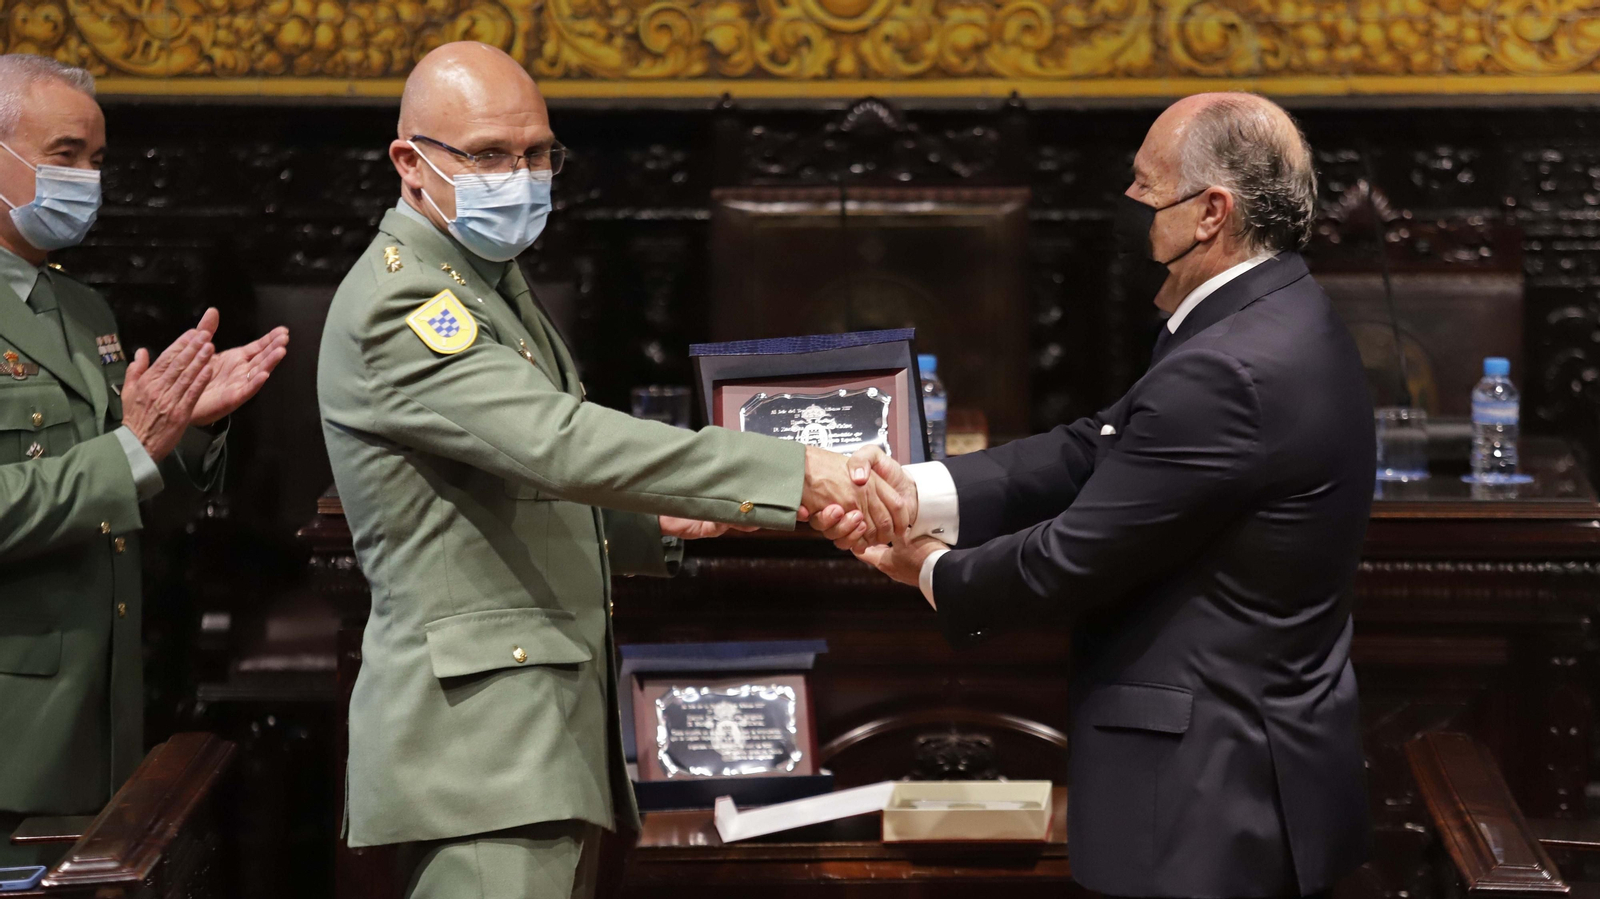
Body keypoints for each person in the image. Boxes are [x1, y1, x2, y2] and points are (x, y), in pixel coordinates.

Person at [316, 41, 903, 899]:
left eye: (536, 153)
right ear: (410, 163)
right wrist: (794, 472)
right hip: (482, 752)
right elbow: (559, 442)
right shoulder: (407, 301)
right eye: (488, 155)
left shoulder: (484, 279)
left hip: (535, 737)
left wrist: (658, 518)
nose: (520, 175)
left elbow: (509, 483)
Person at [824, 93, 1375, 898]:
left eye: (1146, 189)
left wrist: (931, 568)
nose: (1130, 208)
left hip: (1211, 803)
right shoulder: (1275, 314)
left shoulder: (1227, 365)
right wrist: (917, 486)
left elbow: (1073, 556)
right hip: (1257, 763)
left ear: (1211, 213)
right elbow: (1098, 444)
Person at [0, 54, 290, 866]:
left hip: (101, 713)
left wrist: (187, 427)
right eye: (64, 155)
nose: (86, 179)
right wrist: (132, 449)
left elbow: (120, 484)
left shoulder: (78, 303)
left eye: (96, 160)